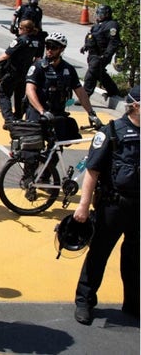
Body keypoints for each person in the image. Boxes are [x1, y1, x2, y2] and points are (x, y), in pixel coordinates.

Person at [72, 86, 139, 325]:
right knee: (99, 253)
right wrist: (83, 205)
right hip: (114, 205)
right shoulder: (112, 131)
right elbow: (92, 171)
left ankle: (133, 304)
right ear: (136, 106)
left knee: (134, 257)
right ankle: (84, 301)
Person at [25, 32, 102, 139]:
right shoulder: (38, 67)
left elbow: (81, 93)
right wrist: (42, 111)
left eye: (53, 47)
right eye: (47, 46)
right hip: (38, 112)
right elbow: (29, 90)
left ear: (62, 49)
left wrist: (91, 113)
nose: (49, 50)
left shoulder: (68, 69)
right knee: (34, 145)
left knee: (62, 142)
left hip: (57, 113)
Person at [0, 19, 39, 124]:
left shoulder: (20, 40)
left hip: (13, 72)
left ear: (25, 29)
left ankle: (9, 119)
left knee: (4, 94)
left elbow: (6, 54)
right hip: (25, 73)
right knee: (19, 95)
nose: (18, 30)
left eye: (20, 28)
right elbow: (38, 58)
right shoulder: (36, 42)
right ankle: (18, 115)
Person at [81, 5, 121, 100]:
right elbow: (91, 37)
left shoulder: (111, 25)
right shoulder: (97, 25)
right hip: (92, 54)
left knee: (90, 74)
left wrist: (106, 55)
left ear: (107, 14)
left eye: (101, 13)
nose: (98, 15)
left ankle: (85, 96)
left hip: (101, 55)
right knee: (99, 73)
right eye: (98, 13)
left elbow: (113, 42)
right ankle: (113, 91)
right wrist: (85, 46)